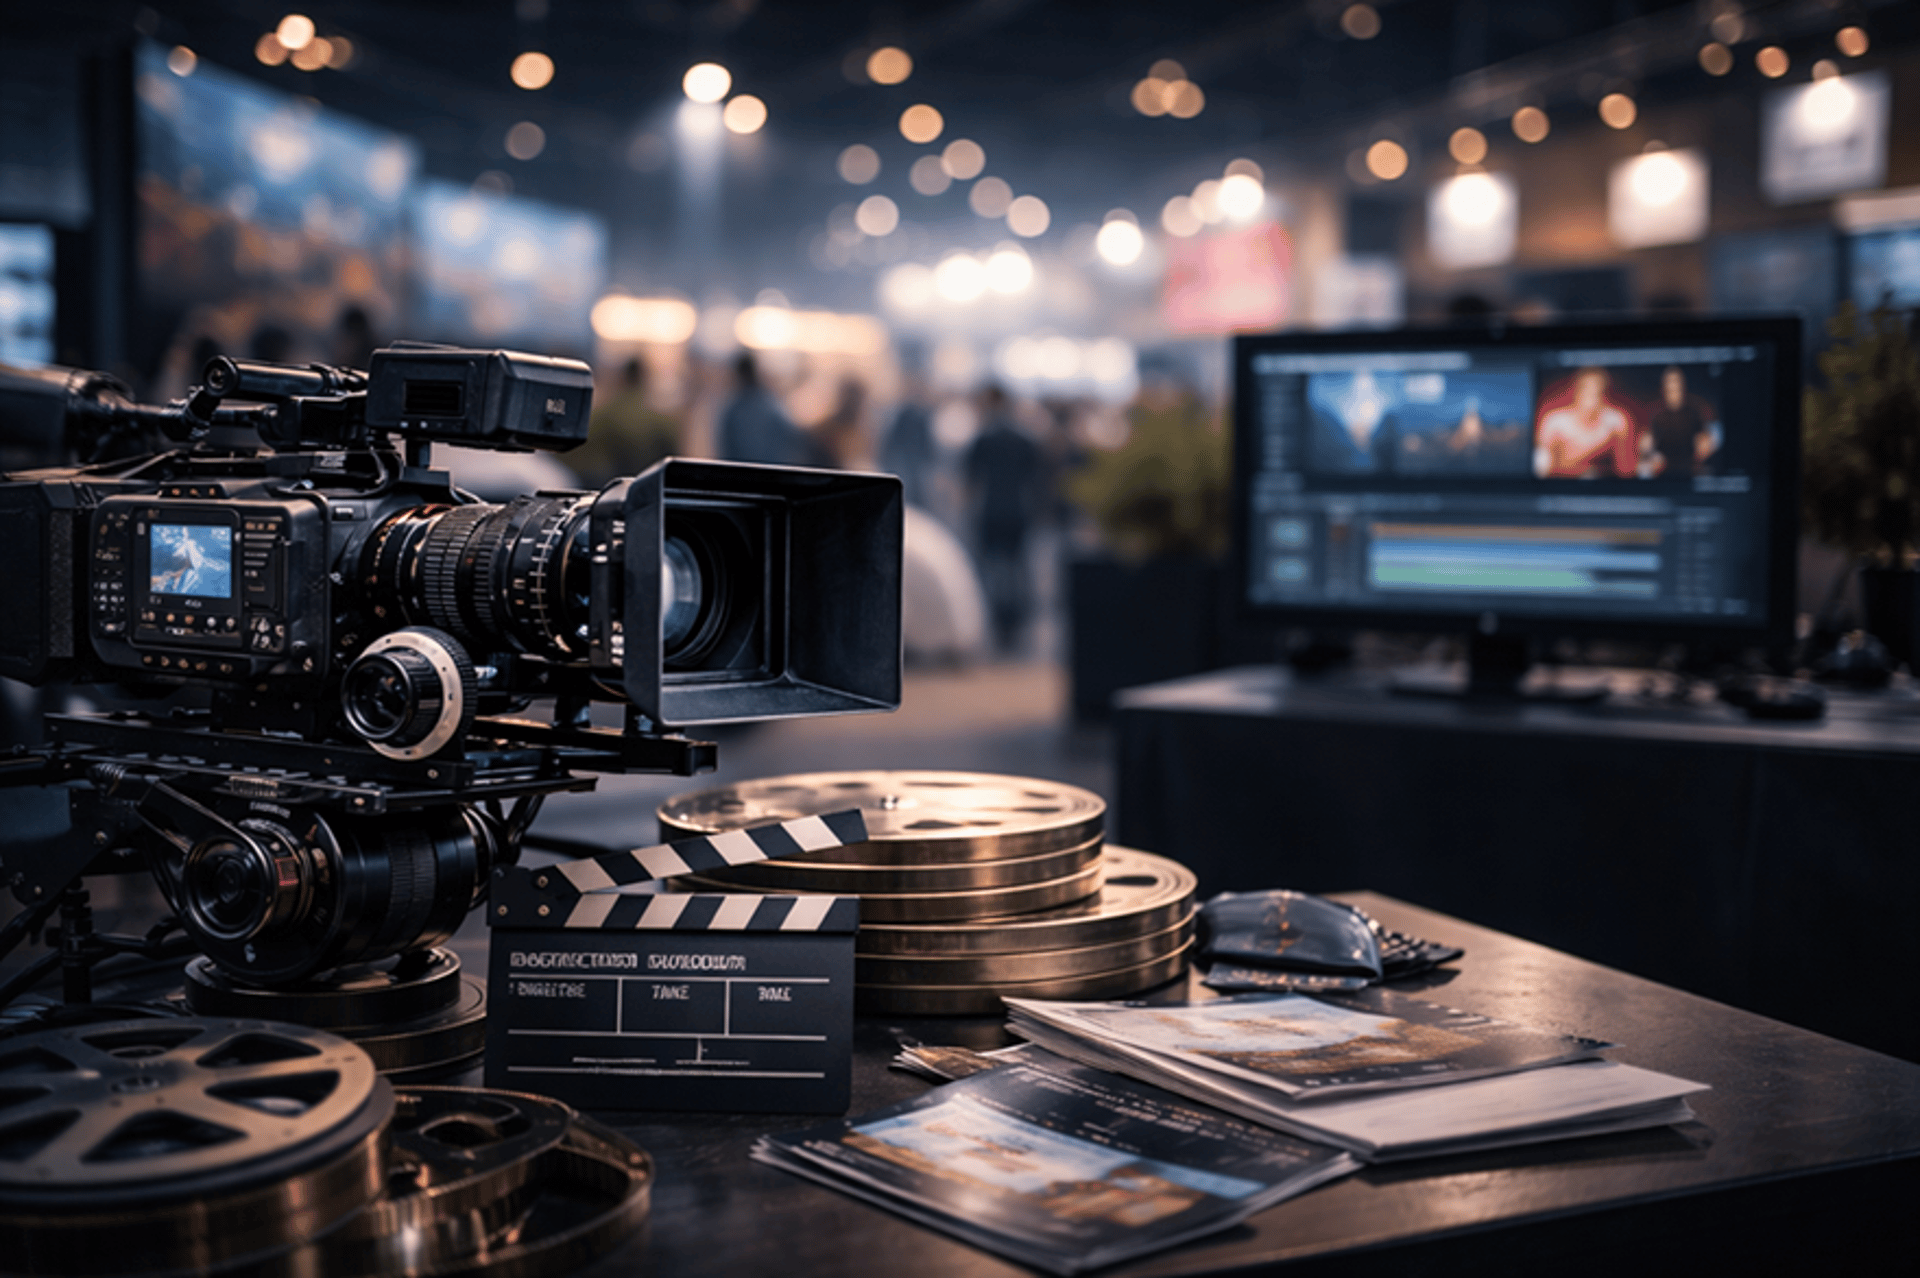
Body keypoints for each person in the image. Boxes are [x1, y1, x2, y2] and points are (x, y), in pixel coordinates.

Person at [965, 385, 1044, 656]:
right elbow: (1037, 480)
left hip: (991, 510)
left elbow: (971, 480)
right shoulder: (1025, 439)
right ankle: (1017, 620)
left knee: (994, 569)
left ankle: (1000, 622)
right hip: (1018, 510)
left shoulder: (983, 439)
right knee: (1018, 567)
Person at [572, 357, 680, 485]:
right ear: (644, 380)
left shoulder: (604, 414)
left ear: (621, 379)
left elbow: (580, 450)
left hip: (607, 485)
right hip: (649, 486)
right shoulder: (662, 420)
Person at [1535, 367, 1635, 478]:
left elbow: (1626, 468)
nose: (1592, 399)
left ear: (1604, 394)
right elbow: (1541, 466)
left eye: (1597, 392)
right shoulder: (1555, 421)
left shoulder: (1615, 421)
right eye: (1587, 391)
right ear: (1577, 392)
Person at [717, 351, 807, 466]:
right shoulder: (769, 404)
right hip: (771, 473)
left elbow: (725, 448)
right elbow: (792, 436)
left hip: (741, 475)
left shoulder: (732, 409)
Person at [1643, 365, 1722, 477]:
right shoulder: (1657, 417)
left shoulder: (1696, 412)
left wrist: (1707, 443)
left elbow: (1707, 441)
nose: (1673, 392)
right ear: (1663, 389)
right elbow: (1650, 450)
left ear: (1683, 387)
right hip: (1665, 478)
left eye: (1676, 387)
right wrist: (1649, 453)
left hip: (1692, 475)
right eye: (1669, 388)